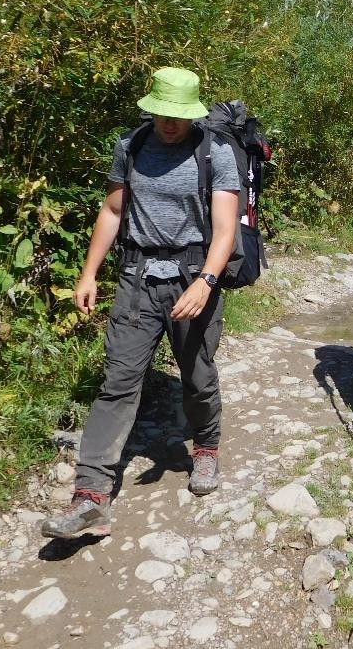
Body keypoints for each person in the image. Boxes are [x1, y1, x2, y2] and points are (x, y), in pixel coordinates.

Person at [42, 67, 240, 539]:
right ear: (150, 108)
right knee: (118, 380)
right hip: (137, 277)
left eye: (178, 116)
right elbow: (112, 211)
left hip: (195, 274)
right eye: (161, 114)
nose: (169, 123)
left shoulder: (216, 152)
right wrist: (89, 273)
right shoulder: (130, 146)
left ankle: (206, 448)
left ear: (193, 114)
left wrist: (206, 281)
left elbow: (226, 227)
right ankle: (90, 495)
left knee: (196, 373)